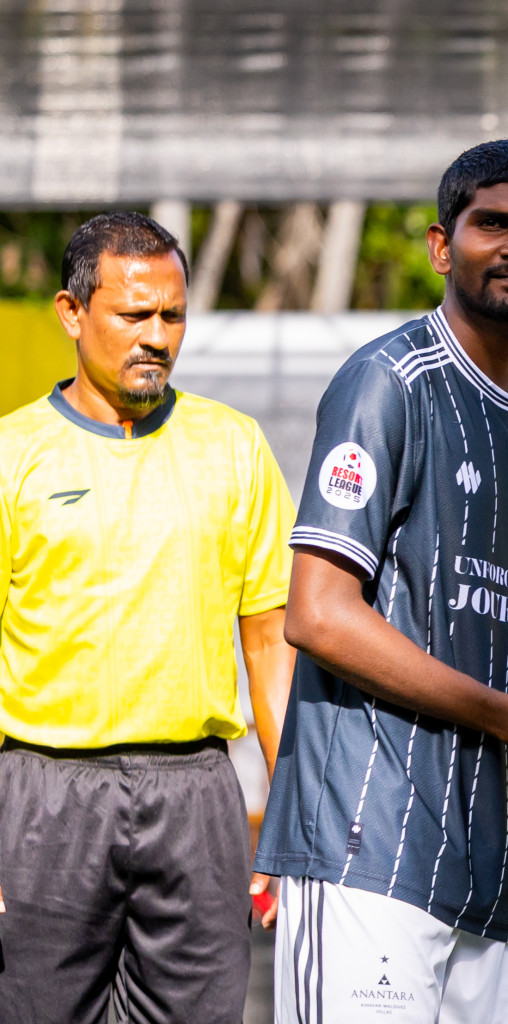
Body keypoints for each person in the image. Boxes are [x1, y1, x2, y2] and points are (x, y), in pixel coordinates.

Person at [254, 140, 508, 1024]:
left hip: (495, 873)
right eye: (492, 223)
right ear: (441, 245)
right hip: (366, 852)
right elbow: (317, 615)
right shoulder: (385, 381)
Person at [0, 211, 296, 1023]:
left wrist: (291, 815)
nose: (156, 336)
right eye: (134, 314)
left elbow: (270, 641)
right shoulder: (11, 456)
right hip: (42, 795)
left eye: (172, 315)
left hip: (197, 792)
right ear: (72, 312)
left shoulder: (234, 446)